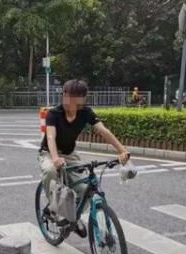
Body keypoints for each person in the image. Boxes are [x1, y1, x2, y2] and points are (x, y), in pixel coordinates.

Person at [39, 79, 130, 237]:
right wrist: (54, 158)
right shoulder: (54, 113)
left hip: (70, 154)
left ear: (81, 99)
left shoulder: (85, 113)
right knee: (50, 171)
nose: (69, 102)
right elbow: (51, 137)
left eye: (74, 99)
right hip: (49, 152)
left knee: (85, 189)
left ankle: (72, 217)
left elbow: (103, 131)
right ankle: (54, 208)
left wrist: (122, 150)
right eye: (66, 96)